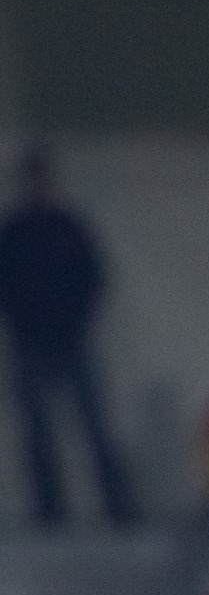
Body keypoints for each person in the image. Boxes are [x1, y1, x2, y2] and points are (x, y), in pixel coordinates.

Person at [0, 144, 133, 525]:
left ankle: (117, 505)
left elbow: (92, 278)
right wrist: (22, 321)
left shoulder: (68, 227)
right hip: (30, 341)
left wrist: (75, 319)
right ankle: (50, 508)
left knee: (93, 425)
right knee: (38, 431)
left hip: (69, 338)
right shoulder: (15, 231)